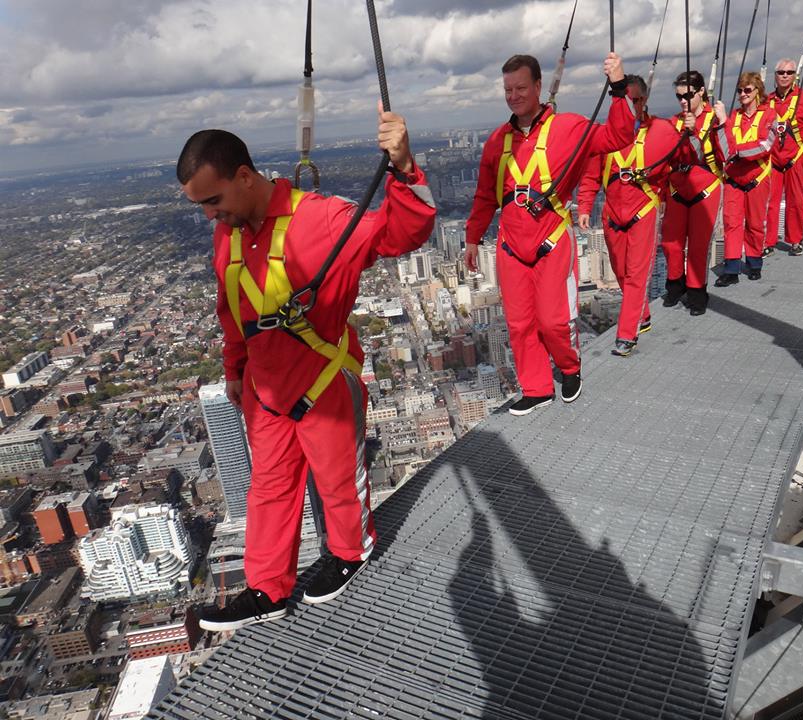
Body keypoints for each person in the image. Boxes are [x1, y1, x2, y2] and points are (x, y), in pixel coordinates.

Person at [178, 109, 436, 632]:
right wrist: (234, 369)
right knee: (269, 489)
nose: (209, 215)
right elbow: (232, 307)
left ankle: (349, 553)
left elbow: (404, 232)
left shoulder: (320, 220)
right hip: (265, 386)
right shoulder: (228, 235)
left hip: (322, 379)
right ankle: (266, 589)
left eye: (214, 200)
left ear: (244, 177)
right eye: (201, 204)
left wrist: (405, 166)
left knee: (338, 478)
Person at [464, 52, 634, 415]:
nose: (513, 96)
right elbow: (483, 195)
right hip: (511, 245)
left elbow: (620, 135)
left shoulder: (569, 128)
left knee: (553, 321)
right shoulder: (498, 142)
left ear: (538, 86)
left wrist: (618, 87)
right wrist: (473, 238)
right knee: (520, 323)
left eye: (521, 87)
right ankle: (537, 387)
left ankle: (570, 369)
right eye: (508, 89)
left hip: (550, 240)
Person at [577, 75, 681, 356]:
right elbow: (590, 176)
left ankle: (627, 335)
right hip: (612, 214)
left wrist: (693, 131)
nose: (632, 106)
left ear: (644, 100)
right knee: (622, 272)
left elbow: (686, 158)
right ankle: (643, 314)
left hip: (643, 210)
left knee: (636, 274)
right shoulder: (604, 135)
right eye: (626, 101)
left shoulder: (663, 130)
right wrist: (585, 207)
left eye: (636, 100)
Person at [661, 70, 725, 316]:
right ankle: (675, 285)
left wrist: (700, 131)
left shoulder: (714, 119)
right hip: (677, 187)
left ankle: (697, 293)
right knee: (671, 243)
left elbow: (725, 155)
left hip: (705, 188)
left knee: (698, 245)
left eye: (687, 95)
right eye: (678, 96)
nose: (682, 101)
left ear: (701, 92)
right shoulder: (674, 122)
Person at [714, 71, 775, 286]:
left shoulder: (769, 115)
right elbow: (724, 145)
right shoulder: (734, 117)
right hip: (733, 179)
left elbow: (765, 145)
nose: (742, 94)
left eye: (747, 90)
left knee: (755, 223)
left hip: (757, 178)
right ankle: (731, 269)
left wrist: (738, 152)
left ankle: (754, 263)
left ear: (758, 91)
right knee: (731, 223)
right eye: (740, 90)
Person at [763, 57, 803, 257]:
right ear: (775, 75)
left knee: (796, 201)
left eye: (789, 72)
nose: (784, 76)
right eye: (781, 72)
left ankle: (795, 240)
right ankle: (768, 241)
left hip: (795, 158)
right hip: (772, 159)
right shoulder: (768, 100)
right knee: (770, 203)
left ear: (795, 75)